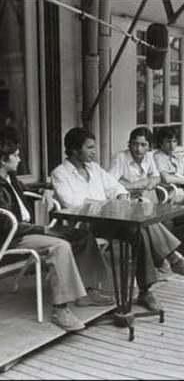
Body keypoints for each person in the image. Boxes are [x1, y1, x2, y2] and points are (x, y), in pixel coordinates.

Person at [51, 128, 184, 314]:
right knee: (139, 223)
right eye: (89, 147)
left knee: (138, 230)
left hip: (109, 220)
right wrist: (108, 204)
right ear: (74, 150)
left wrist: (122, 197)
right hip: (84, 224)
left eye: (94, 147)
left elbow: (116, 187)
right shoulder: (60, 173)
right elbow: (72, 203)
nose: (94, 151)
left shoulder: (94, 168)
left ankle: (146, 291)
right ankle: (172, 257)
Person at [0, 131, 113, 332]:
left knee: (82, 235)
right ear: (2, 159)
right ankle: (60, 309)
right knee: (60, 245)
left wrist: (48, 191)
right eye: (16, 155)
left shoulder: (10, 178)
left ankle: (88, 292)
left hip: (27, 230)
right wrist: (42, 228)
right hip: (13, 237)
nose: (19, 159)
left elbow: (35, 188)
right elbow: (7, 225)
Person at [108, 126, 184, 277]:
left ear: (149, 146)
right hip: (127, 205)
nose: (138, 149)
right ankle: (168, 260)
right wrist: (139, 184)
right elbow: (110, 184)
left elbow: (157, 178)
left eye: (143, 145)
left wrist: (143, 182)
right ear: (129, 144)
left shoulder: (149, 157)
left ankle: (174, 258)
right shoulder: (121, 158)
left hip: (148, 202)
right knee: (162, 223)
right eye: (134, 144)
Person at [152, 127, 184, 204]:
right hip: (168, 194)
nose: (172, 145)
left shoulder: (177, 157)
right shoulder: (157, 157)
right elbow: (166, 179)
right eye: (168, 142)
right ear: (161, 143)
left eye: (174, 141)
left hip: (181, 192)